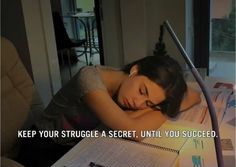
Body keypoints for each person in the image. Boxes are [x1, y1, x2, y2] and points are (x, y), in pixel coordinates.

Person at [35, 55, 201, 143]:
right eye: (142, 91)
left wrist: (163, 105)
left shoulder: (128, 84)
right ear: (135, 70)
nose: (138, 103)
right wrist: (166, 110)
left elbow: (195, 95)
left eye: (149, 103)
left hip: (83, 143)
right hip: (46, 144)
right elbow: (134, 131)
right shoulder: (89, 80)